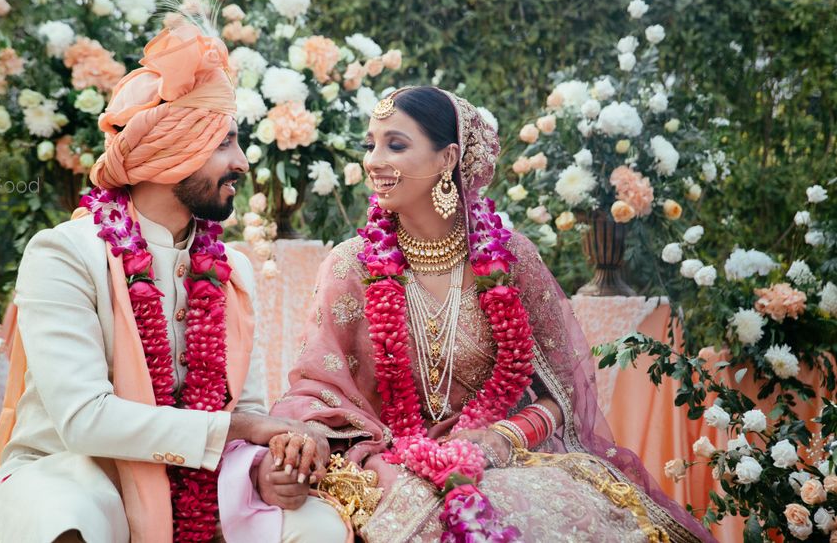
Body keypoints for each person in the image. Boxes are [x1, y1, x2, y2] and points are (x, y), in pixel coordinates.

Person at [271, 86, 716, 542]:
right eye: (371, 145)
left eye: (396, 145)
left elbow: (561, 391)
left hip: (503, 456)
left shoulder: (511, 259)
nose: (373, 160)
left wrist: (505, 436)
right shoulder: (351, 266)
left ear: (448, 158)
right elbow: (317, 388)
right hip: (390, 459)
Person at [0, 20, 347, 543]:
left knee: (318, 526)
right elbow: (83, 420)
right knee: (72, 521)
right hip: (74, 469)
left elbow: (245, 411)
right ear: (172, 155)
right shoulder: (65, 254)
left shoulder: (232, 270)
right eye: (225, 143)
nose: (242, 163)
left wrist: (266, 466)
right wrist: (241, 431)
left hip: (198, 476)